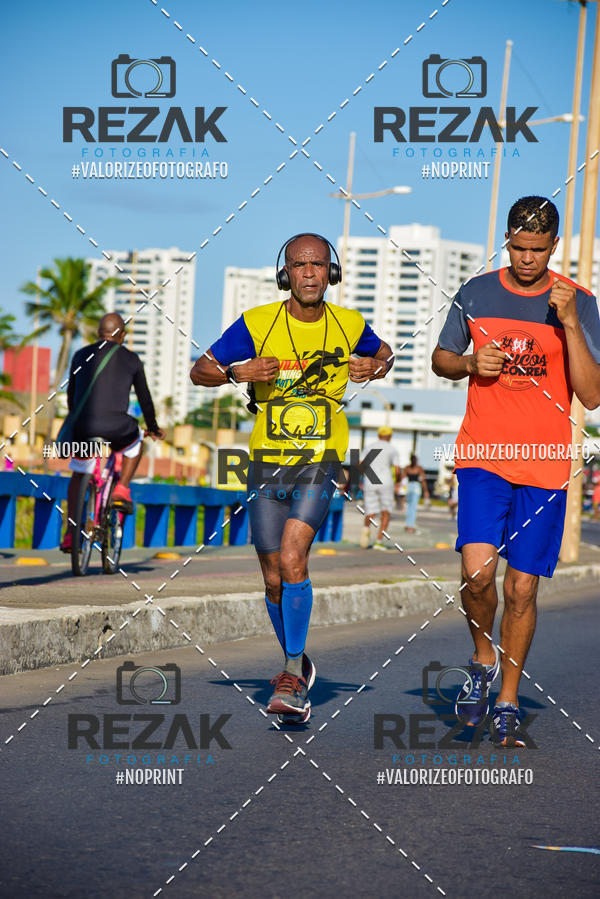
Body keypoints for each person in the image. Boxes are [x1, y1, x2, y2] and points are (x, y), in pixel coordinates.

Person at [190, 233, 393, 722]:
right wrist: (239, 372)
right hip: (264, 463)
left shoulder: (349, 323)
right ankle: (299, 662)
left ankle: (288, 675)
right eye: (299, 265)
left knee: (291, 555)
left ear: (331, 272)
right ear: (286, 272)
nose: (308, 273)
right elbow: (201, 371)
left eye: (317, 265)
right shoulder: (257, 323)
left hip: (322, 460)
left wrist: (374, 367)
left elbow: (385, 355)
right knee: (272, 577)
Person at [431, 196, 600, 746]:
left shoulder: (580, 302)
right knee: (478, 574)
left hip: (547, 466)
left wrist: (571, 322)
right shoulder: (477, 292)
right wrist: (466, 364)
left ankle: (507, 701)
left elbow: (592, 396)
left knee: (522, 590)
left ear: (553, 248)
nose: (527, 259)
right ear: (508, 242)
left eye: (537, 250)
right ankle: (482, 660)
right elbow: (441, 358)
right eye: (518, 248)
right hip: (483, 456)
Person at [60, 313, 164, 551]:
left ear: (99, 333)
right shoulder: (131, 359)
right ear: (123, 335)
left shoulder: (80, 355)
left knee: (78, 475)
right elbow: (145, 400)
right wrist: (153, 427)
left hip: (84, 427)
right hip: (117, 427)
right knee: (136, 441)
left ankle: (70, 533)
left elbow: (72, 396)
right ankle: (121, 488)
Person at [359, 425, 401, 550]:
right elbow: (397, 470)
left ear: (378, 435)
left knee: (370, 510)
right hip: (386, 482)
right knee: (386, 512)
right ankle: (378, 541)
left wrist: (364, 479)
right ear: (390, 436)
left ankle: (365, 531)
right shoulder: (392, 449)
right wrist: (397, 481)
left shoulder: (369, 447)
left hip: (370, 481)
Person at [403, 454, 429, 532]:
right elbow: (422, 480)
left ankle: (408, 525)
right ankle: (411, 526)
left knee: (409, 507)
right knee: (413, 508)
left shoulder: (407, 468)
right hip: (416, 487)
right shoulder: (419, 468)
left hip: (409, 486)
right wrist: (426, 490)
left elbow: (403, 479)